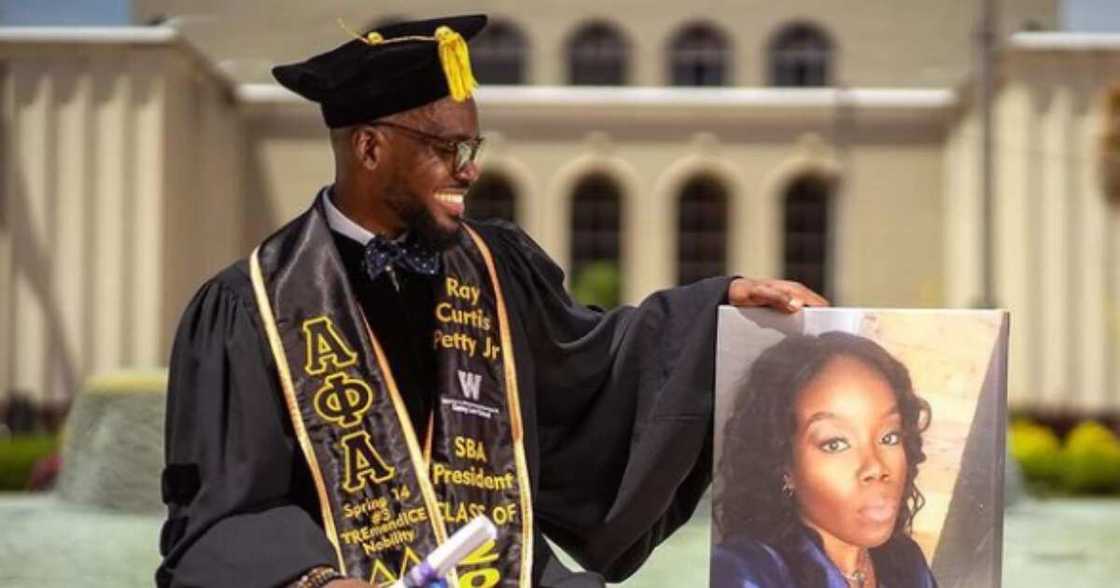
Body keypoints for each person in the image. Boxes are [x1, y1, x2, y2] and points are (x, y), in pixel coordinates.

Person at [156, 14, 827, 588]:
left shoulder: (494, 266)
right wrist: (311, 581)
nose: (470, 169)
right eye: (448, 149)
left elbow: (594, 361)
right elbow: (221, 508)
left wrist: (718, 311)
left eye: (471, 147)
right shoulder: (253, 306)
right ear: (368, 147)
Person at [712, 332, 935, 588]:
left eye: (889, 437)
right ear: (784, 465)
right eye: (835, 444)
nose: (876, 467)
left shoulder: (906, 563)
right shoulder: (745, 573)